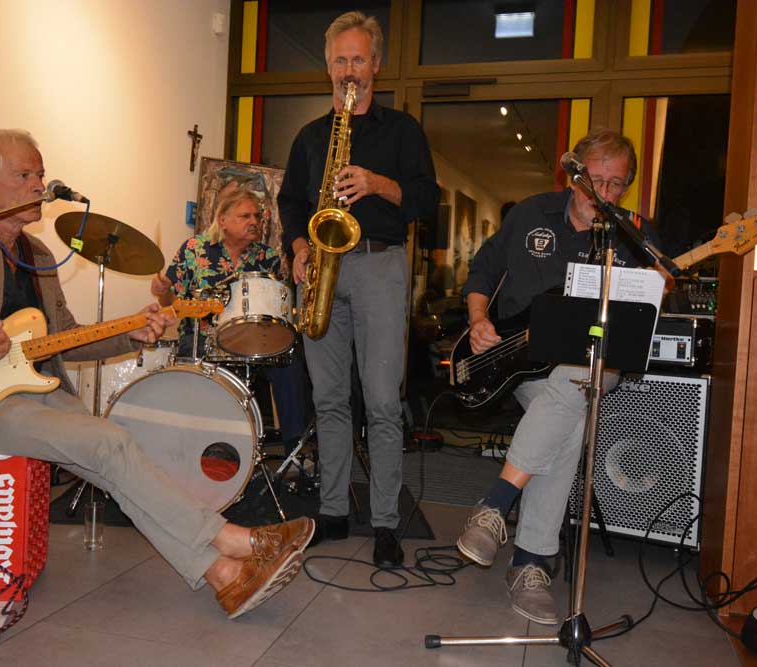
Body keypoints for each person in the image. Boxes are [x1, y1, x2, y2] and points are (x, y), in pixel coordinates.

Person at [0, 129, 313, 620]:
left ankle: (223, 575)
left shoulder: (38, 256)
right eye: (24, 175)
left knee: (116, 452)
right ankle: (235, 540)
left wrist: (132, 334)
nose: (39, 185)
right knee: (108, 443)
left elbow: (68, 338)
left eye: (40, 174)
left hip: (37, 393)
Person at [455, 128, 664, 625]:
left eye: (616, 184)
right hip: (524, 367)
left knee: (577, 379)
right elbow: (483, 271)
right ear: (575, 177)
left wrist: (661, 282)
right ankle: (529, 564)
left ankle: (495, 505)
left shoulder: (635, 235)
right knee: (569, 424)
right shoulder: (530, 214)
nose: (604, 193)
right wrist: (479, 320)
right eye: (596, 180)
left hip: (596, 364)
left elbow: (655, 302)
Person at [278, 11, 439, 568]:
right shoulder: (310, 137)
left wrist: (376, 183)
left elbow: (426, 199)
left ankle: (387, 521)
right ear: (329, 67)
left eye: (359, 59)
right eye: (340, 60)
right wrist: (299, 246)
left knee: (382, 402)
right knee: (328, 399)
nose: (349, 70)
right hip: (322, 266)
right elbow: (291, 203)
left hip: (379, 265)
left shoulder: (403, 132)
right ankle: (333, 511)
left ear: (376, 65)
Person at [151, 188, 307, 445]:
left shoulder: (268, 257)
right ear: (222, 220)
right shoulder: (194, 249)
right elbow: (168, 302)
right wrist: (163, 290)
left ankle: (295, 447)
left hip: (255, 342)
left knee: (289, 360)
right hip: (202, 340)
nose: (254, 222)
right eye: (245, 216)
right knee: (194, 363)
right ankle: (196, 443)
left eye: (257, 216)